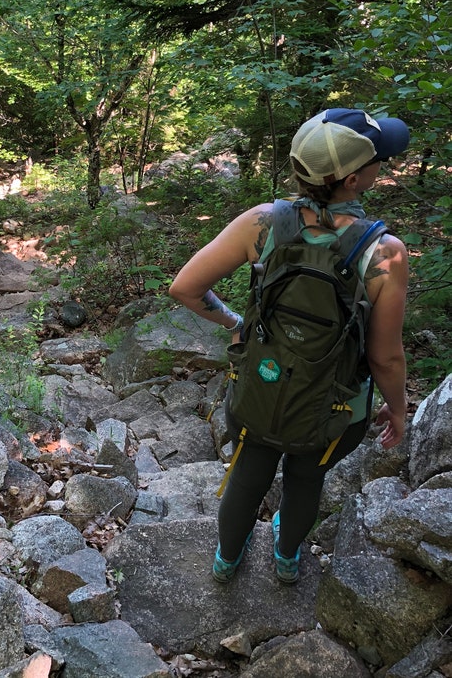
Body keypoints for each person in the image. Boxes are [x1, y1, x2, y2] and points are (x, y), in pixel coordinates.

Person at [168, 108, 410, 584]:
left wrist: (236, 322)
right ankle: (285, 560)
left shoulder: (262, 224)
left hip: (261, 386)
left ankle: (226, 561)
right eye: (380, 159)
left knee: (248, 473)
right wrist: (398, 409)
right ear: (356, 179)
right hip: (335, 404)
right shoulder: (385, 254)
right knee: (307, 477)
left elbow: (185, 288)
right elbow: (385, 356)